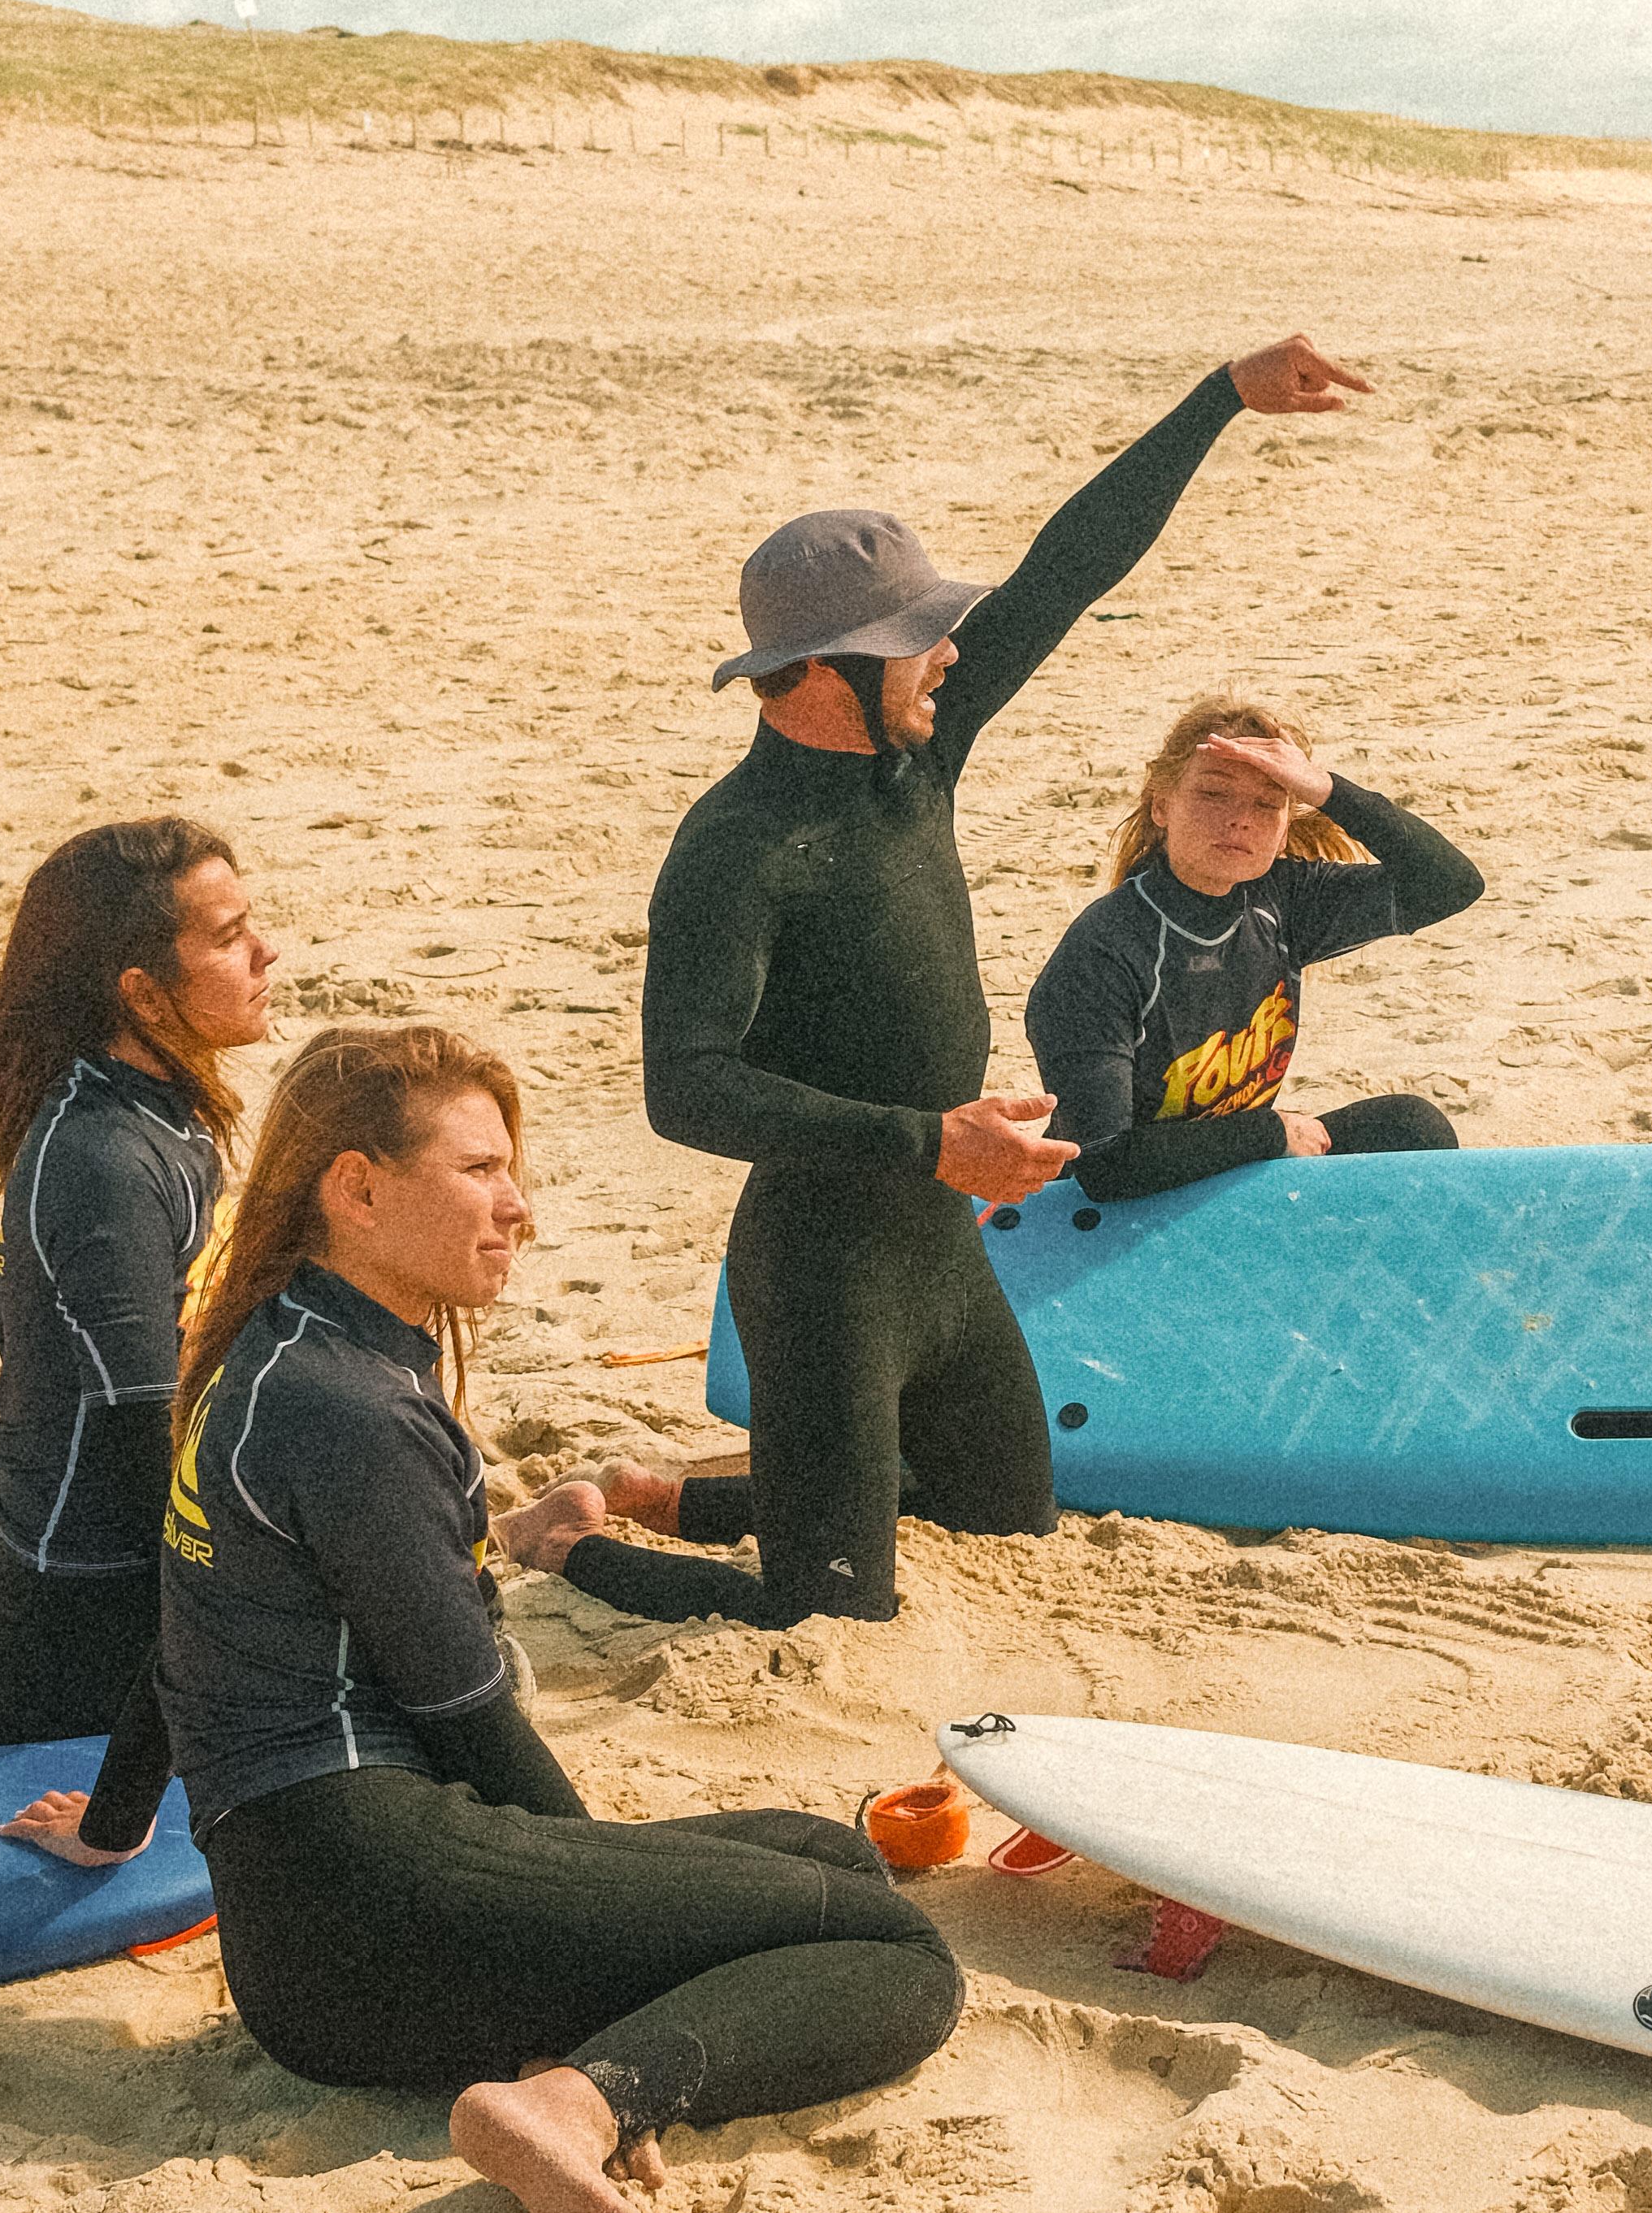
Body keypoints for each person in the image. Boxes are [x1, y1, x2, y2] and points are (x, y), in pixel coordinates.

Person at [0, 1023, 956, 2213]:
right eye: (478, 1172)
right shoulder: (349, 1413)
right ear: (357, 1187)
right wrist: (606, 1930)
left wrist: (114, 1822)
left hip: (308, 1937)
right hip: (371, 1903)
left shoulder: (269, 1355)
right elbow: (468, 1717)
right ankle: (572, 2102)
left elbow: (181, 1635)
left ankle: (585, 2056)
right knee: (899, 1958)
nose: (518, 1210)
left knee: (826, 1853)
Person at [506, 336, 1372, 1637]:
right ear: (813, 676)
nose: (948, 658)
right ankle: (571, 1538)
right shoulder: (738, 847)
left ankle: (674, 1493)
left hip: (936, 1254)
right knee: (826, 1614)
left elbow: (1064, 575)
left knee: (999, 1518)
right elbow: (684, 1090)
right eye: (915, 642)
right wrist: (933, 1141)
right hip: (823, 1271)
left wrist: (1219, 399)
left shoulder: (920, 753)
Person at [0, 820, 276, 1745]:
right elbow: (145, 1428)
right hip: (75, 1647)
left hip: (123, 1592)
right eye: (227, 939)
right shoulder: (100, 1159)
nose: (266, 951)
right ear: (141, 992)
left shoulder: (154, 1109)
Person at [1023, 699, 1482, 1199]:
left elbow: (1451, 885)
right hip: (1114, 1211)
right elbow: (1107, 1168)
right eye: (1214, 794)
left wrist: (1326, 789)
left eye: (1267, 803)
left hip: (1231, 1176)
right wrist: (1272, 1133)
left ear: (1285, 826)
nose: (1241, 820)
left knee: (1411, 1129)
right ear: (1162, 806)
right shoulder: (1103, 953)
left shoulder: (1281, 900)